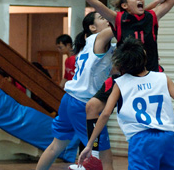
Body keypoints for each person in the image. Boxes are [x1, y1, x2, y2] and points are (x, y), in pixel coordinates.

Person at [60, 0, 174, 167]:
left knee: (145, 123)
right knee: (92, 107)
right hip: (125, 77)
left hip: (149, 75)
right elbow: (93, 0)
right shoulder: (118, 20)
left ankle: (154, 149)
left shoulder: (152, 17)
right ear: (124, 5)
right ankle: (95, 152)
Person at [78, 37, 174, 169]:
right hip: (168, 138)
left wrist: (90, 144)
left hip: (141, 140)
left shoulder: (120, 83)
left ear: (122, 64)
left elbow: (105, 114)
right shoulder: (162, 77)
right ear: (145, 57)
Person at [36, 11, 115, 170]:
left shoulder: (97, 45)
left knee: (56, 146)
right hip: (83, 106)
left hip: (69, 100)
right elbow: (123, 24)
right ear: (92, 27)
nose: (107, 19)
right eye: (102, 18)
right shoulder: (97, 38)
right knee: (104, 156)